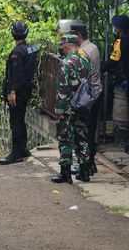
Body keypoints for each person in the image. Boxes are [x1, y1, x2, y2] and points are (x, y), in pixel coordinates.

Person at [101, 15, 129, 153]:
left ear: (117, 27)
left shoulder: (122, 40)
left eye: (114, 26)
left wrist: (98, 68)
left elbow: (113, 60)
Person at [51, 34, 91, 184]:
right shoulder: (85, 60)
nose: (61, 49)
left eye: (62, 46)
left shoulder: (66, 63)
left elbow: (62, 89)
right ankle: (85, 171)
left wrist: (59, 111)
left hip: (68, 105)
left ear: (67, 46)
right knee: (82, 136)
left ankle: (65, 174)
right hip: (82, 104)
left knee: (65, 138)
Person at [0, 22, 38, 165]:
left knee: (15, 121)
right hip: (27, 89)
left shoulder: (17, 53)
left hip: (18, 91)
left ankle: (15, 153)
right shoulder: (32, 49)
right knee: (21, 120)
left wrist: (12, 91)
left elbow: (16, 73)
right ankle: (23, 149)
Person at [71, 23, 102, 175]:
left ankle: (87, 164)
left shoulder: (83, 52)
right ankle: (90, 163)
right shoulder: (94, 48)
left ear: (78, 35)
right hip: (96, 93)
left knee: (83, 131)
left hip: (86, 97)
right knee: (91, 129)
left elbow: (79, 76)